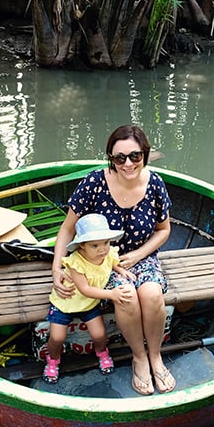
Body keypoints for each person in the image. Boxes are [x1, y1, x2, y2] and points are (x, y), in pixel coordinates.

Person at [52, 124, 175, 395]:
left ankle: (155, 356)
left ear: (144, 154)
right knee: (126, 295)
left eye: (135, 156)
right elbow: (67, 229)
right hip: (101, 260)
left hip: (142, 256)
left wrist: (139, 255)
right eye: (120, 158)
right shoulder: (95, 182)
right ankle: (139, 357)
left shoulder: (155, 184)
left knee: (152, 294)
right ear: (111, 157)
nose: (128, 164)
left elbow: (164, 230)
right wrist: (56, 268)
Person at [43, 213, 136, 384]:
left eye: (106, 243)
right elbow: (85, 289)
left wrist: (120, 270)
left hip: (89, 304)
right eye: (95, 245)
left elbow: (111, 262)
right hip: (66, 302)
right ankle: (53, 360)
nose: (102, 249)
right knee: (57, 338)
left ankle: (102, 352)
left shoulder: (106, 254)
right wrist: (112, 294)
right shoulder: (76, 262)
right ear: (82, 246)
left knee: (100, 335)